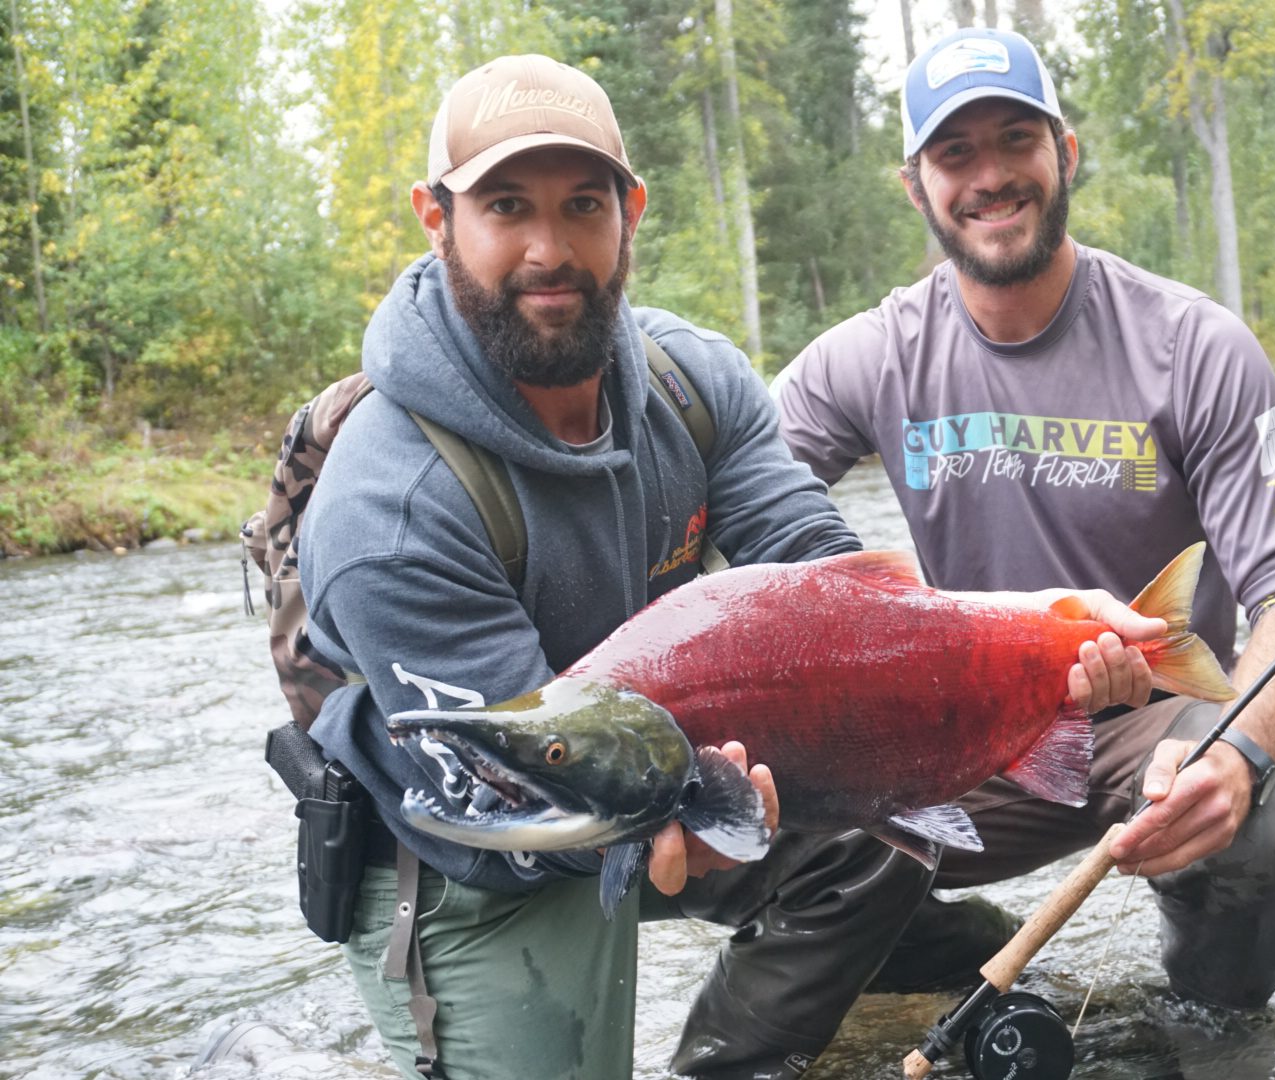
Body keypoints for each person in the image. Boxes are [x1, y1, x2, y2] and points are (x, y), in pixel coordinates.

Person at [296, 52, 1148, 1080]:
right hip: (455, 850)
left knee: (873, 817)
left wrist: (1045, 627)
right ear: (436, 222)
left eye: (582, 206)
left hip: (660, 760)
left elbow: (833, 585)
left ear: (632, 211)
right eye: (505, 208)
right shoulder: (391, 507)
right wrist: (675, 822)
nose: (547, 248)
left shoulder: (690, 382)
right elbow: (505, 806)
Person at [768, 22, 1275, 1046]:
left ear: (1065, 154)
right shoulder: (869, 357)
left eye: (1015, 141)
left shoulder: (1192, 348)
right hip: (967, 727)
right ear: (914, 186)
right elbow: (721, 487)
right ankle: (941, 957)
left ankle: (1202, 1020)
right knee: (754, 832)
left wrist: (1240, 752)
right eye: (956, 154)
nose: (990, 177)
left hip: (1153, 718)